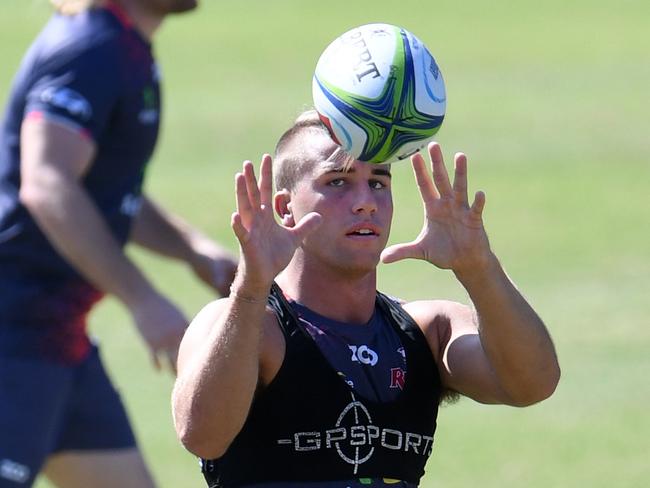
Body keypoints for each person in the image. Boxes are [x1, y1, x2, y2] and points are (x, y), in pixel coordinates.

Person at [171, 110, 561, 487]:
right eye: (338, 182)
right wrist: (251, 288)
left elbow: (533, 384)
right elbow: (201, 435)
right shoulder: (247, 325)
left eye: (378, 182)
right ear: (285, 209)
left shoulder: (425, 333)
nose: (366, 202)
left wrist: (478, 267)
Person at [0, 1, 238, 487]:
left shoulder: (123, 45)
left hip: (56, 340)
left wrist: (191, 248)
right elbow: (48, 183)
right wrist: (143, 300)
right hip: (12, 339)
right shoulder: (94, 48)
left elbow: (104, 192)